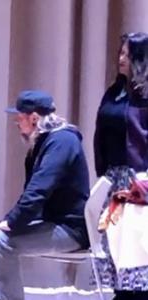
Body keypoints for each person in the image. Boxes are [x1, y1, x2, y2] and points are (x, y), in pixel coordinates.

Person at [0, 90, 90, 300]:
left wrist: (9, 223)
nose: (17, 125)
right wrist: (4, 222)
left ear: (34, 118)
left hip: (71, 231)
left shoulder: (61, 143)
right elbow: (33, 195)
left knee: (2, 241)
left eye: (19, 119)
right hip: (55, 222)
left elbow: (37, 192)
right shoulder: (48, 142)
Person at [94, 32, 148, 300]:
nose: (121, 58)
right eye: (120, 52)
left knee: (135, 255)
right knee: (111, 250)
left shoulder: (146, 96)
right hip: (112, 179)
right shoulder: (114, 92)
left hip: (139, 183)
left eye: (127, 54)